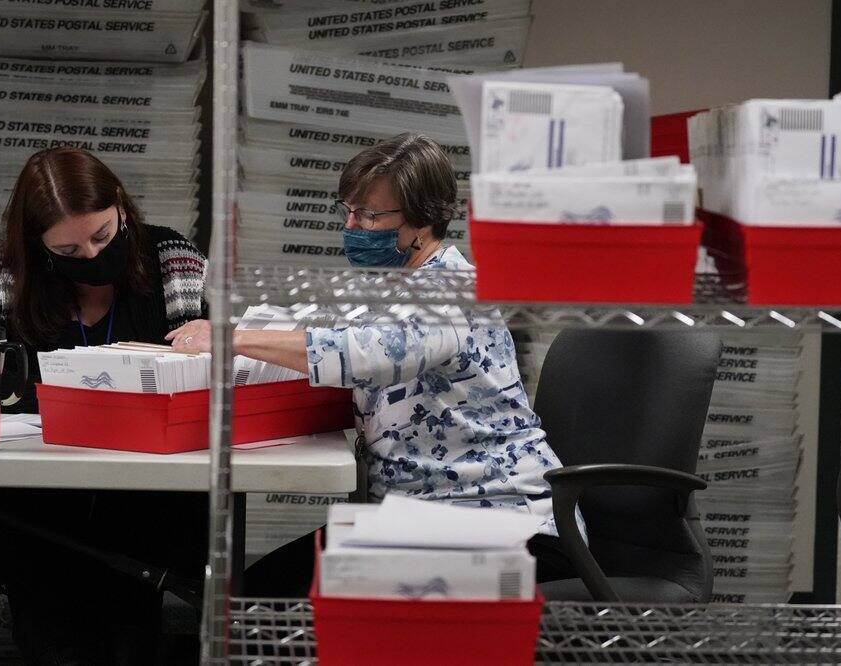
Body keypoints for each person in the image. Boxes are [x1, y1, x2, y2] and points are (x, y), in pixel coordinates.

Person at [235, 133, 582, 597]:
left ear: (422, 218)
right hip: (425, 518)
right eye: (350, 211)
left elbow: (367, 353)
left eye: (370, 215)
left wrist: (230, 338)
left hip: (505, 524)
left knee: (271, 598)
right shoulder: (393, 290)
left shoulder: (450, 293)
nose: (353, 226)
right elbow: (334, 341)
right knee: (259, 590)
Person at [0, 147, 211, 663]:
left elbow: (206, 372)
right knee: (58, 633)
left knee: (132, 634)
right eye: (68, 251)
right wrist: (19, 387)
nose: (90, 256)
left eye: (102, 237)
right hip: (37, 509)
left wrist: (209, 337)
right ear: (36, 245)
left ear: (121, 207)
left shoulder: (169, 259)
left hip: (149, 500)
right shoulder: (2, 276)